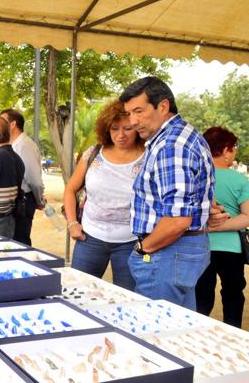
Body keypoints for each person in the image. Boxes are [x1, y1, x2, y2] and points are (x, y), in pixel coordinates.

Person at [121, 76, 214, 310]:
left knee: (155, 334)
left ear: (163, 106)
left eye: (138, 111)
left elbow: (177, 220)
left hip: (167, 252)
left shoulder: (171, 145)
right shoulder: (180, 136)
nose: (132, 121)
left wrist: (144, 248)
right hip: (177, 252)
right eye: (129, 113)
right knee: (176, 331)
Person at [63, 100, 145, 290]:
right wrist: (72, 223)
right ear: (106, 129)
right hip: (90, 238)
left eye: (128, 128)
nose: (121, 135)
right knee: (78, 292)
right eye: (114, 128)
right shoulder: (93, 153)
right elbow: (70, 189)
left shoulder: (149, 156)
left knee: (127, 299)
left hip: (131, 242)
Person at [196, 127, 248, 328]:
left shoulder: (197, 177)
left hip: (200, 245)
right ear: (226, 149)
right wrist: (222, 226)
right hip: (231, 250)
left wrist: (209, 227)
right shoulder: (239, 179)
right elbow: (247, 217)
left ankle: (195, 335)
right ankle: (232, 334)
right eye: (234, 147)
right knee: (233, 295)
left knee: (201, 295)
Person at [0, 109, 46, 245]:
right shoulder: (14, 145)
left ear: (13, 124)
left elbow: (34, 179)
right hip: (14, 200)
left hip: (24, 200)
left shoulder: (24, 145)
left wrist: (39, 200)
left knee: (20, 242)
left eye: (3, 121)